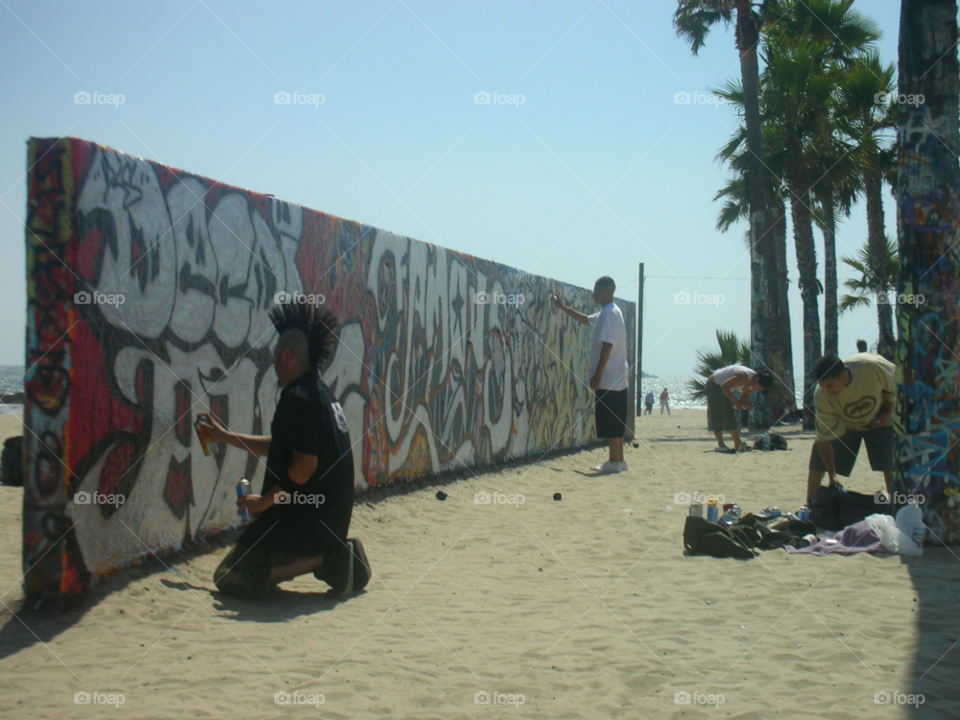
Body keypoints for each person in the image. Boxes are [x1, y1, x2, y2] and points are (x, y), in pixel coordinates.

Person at [200, 302, 364, 599]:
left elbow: (304, 468)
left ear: (287, 356)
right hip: (328, 522)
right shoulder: (321, 394)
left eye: (276, 356)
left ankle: (331, 560)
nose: (272, 363)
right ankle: (334, 553)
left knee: (229, 576)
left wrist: (262, 504)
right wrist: (224, 437)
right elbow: (284, 448)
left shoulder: (297, 399)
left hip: (306, 528)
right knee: (244, 560)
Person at [552, 277, 630, 474]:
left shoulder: (610, 314)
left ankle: (614, 461)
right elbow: (586, 319)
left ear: (603, 292)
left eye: (596, 291)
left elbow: (608, 345)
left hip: (610, 377)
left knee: (611, 422)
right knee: (616, 421)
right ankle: (619, 460)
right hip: (616, 377)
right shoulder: (609, 312)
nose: (593, 294)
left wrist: (598, 374)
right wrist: (562, 307)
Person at [806, 353, 895, 502]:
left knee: (891, 459)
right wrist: (832, 476)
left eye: (830, 386)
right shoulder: (822, 395)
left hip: (881, 417)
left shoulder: (872, 366)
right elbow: (824, 440)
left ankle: (896, 501)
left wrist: (885, 413)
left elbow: (894, 389)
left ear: (843, 376)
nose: (827, 391)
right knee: (817, 453)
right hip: (847, 424)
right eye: (823, 387)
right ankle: (810, 505)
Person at [706, 364, 773, 452]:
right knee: (718, 414)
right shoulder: (743, 377)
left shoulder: (754, 385)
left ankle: (738, 443)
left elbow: (743, 396)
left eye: (761, 389)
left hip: (726, 388)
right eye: (759, 387)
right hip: (715, 384)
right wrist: (736, 402)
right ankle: (721, 444)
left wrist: (748, 404)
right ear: (756, 380)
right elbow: (723, 386)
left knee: (730, 415)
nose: (758, 390)